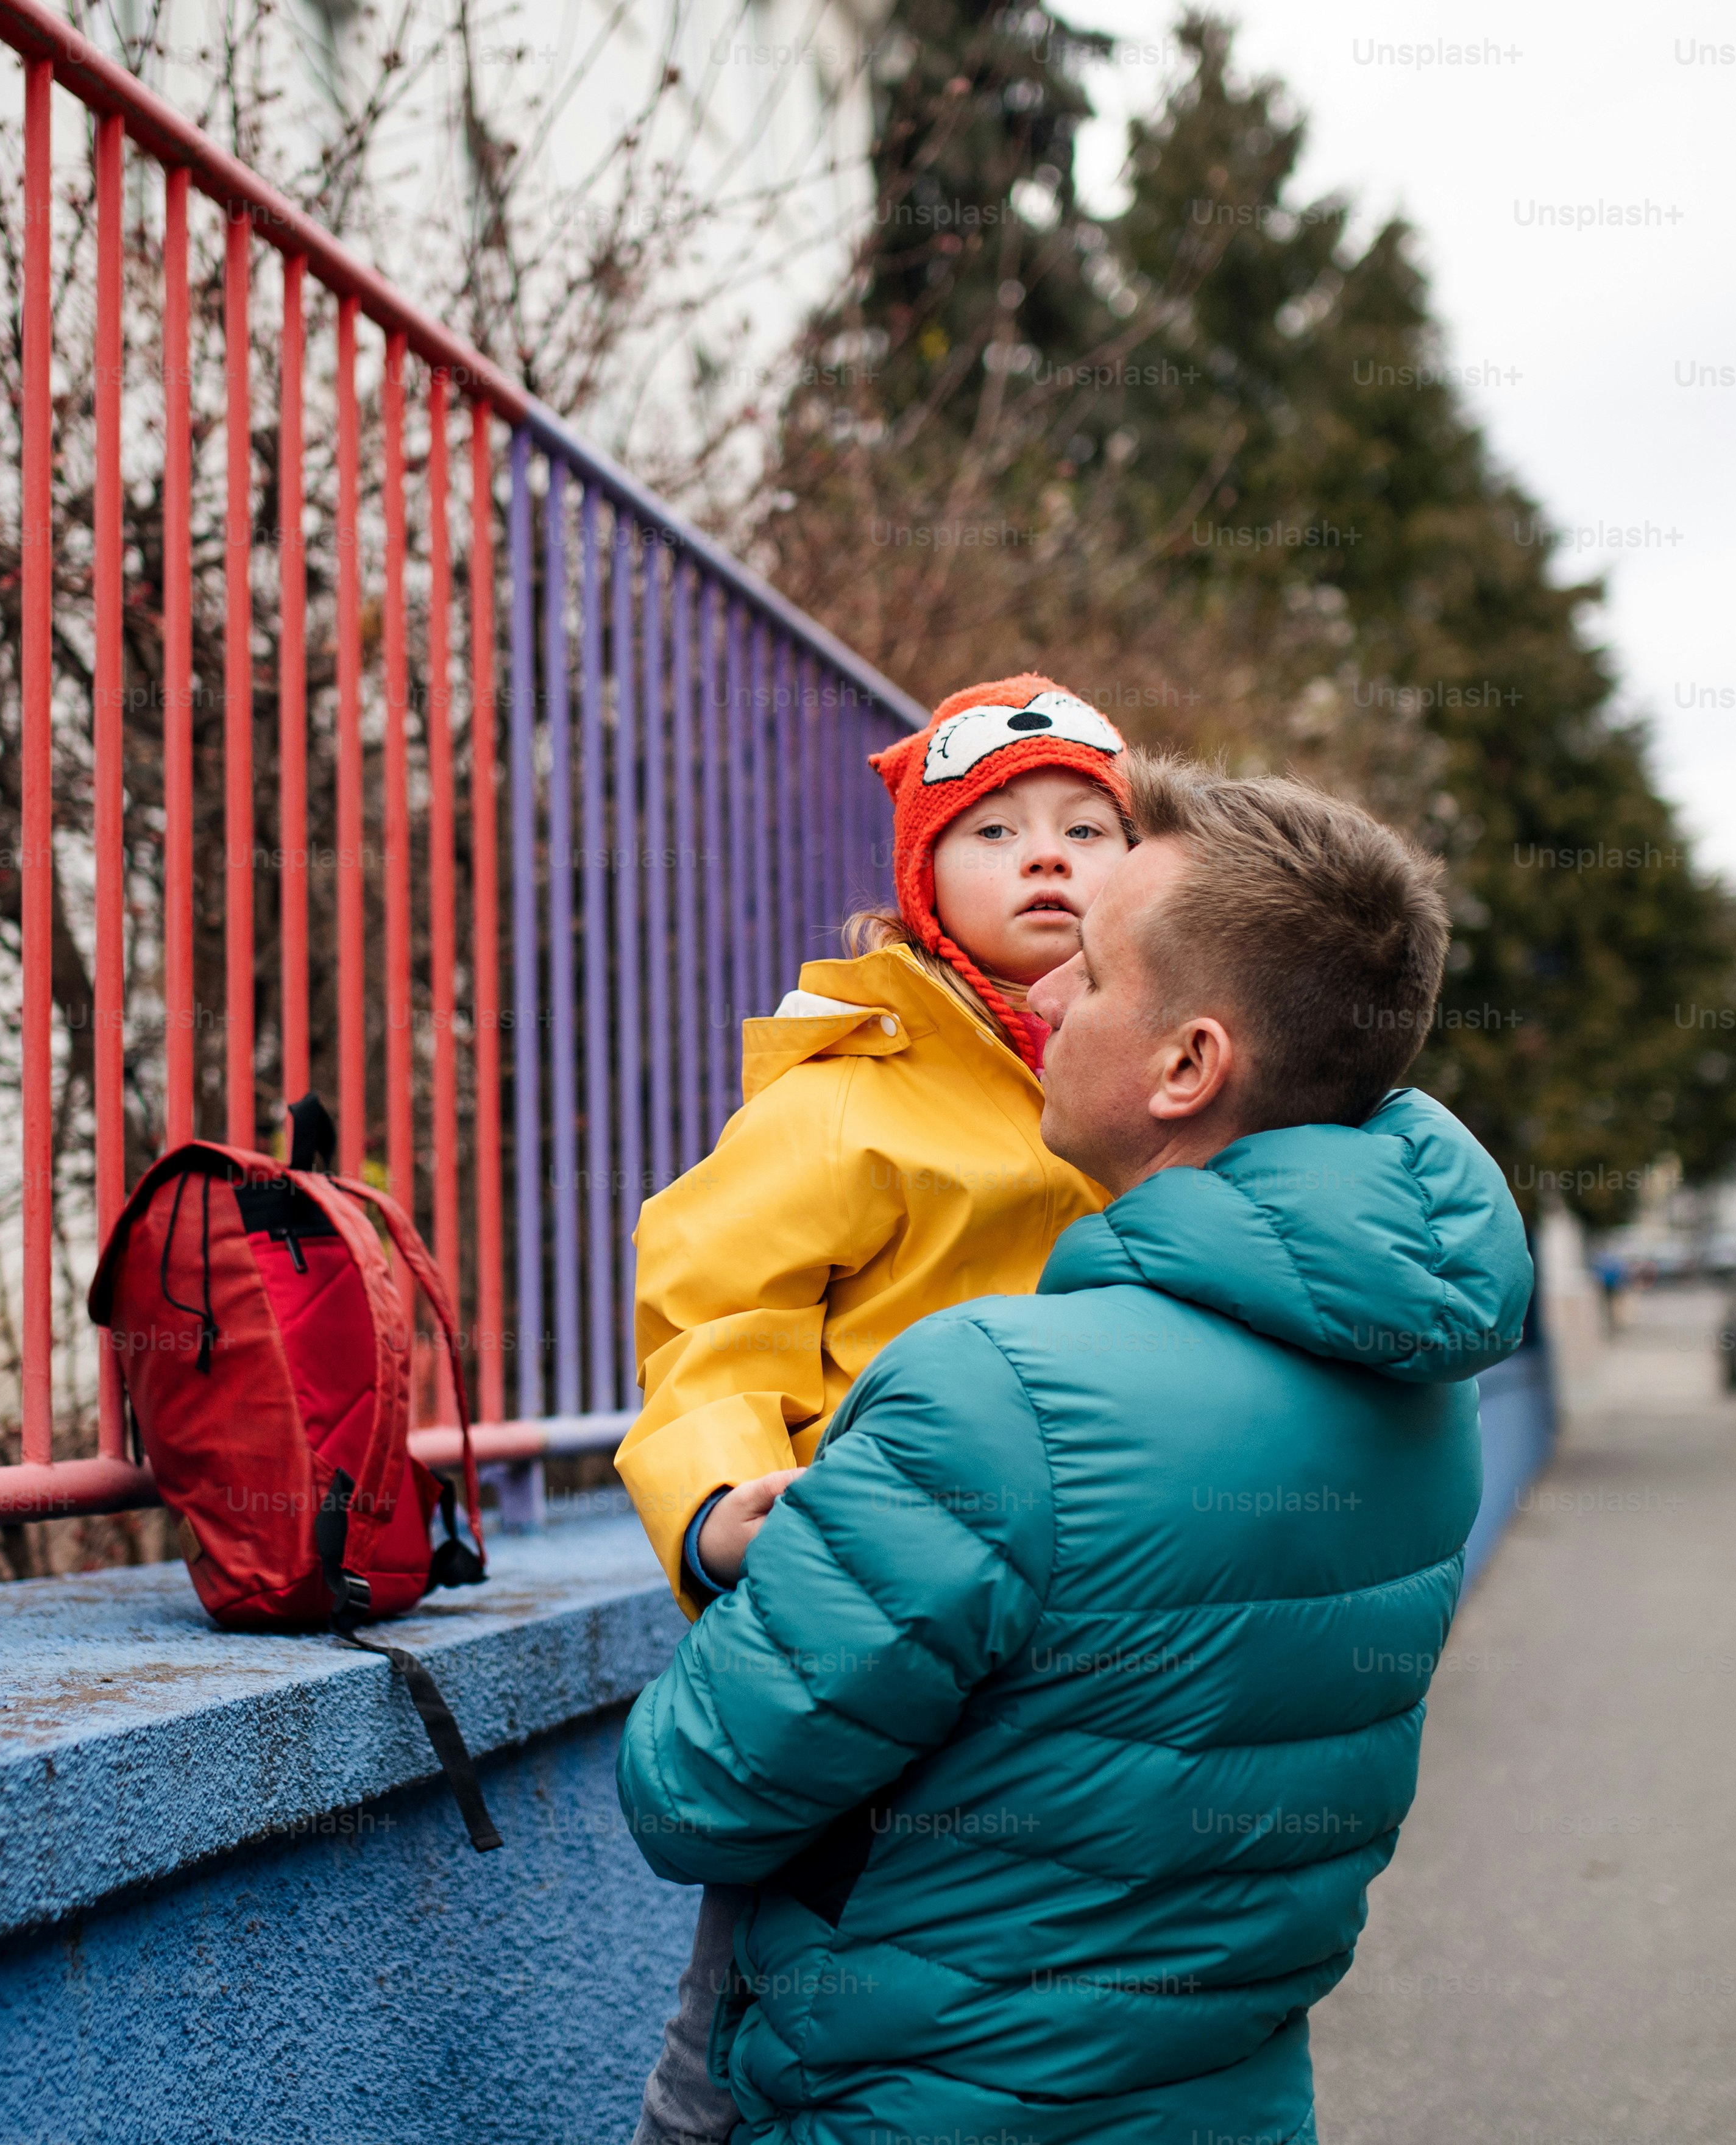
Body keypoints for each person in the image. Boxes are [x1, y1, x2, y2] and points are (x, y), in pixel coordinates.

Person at [618, 753, 1532, 2145]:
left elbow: (696, 1789)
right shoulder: (1416, 1391)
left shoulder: (988, 1396)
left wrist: (801, 1534)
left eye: (1091, 975)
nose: (1039, 995)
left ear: (1186, 1063)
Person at [616, 675, 1139, 2145]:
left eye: (1087, 826)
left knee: (1043, 2002)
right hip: (869, 1606)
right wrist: (721, 1501)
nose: (1046, 855)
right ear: (920, 879)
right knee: (761, 1988)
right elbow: (716, 1319)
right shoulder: (843, 1098)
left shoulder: (1153, 1084)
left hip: (1084, 1624)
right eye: (994, 829)